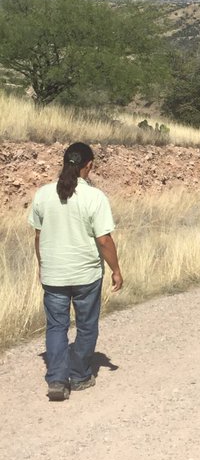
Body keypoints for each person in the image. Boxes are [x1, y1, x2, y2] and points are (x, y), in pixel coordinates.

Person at [28, 142, 123, 402]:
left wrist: (42, 264)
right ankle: (80, 376)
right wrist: (116, 270)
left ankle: (57, 379)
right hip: (86, 275)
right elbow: (104, 240)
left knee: (56, 327)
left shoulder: (43, 194)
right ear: (89, 165)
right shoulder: (95, 197)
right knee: (86, 326)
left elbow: (38, 236)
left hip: (54, 274)